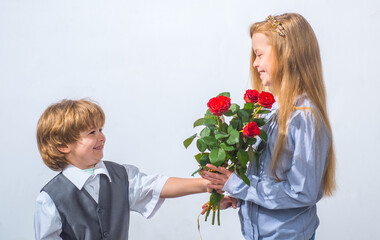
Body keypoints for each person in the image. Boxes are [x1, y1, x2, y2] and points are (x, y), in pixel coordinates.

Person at [200, 13, 336, 240]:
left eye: (259, 55)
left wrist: (239, 186)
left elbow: (301, 192)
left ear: (287, 55)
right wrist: (238, 196)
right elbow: (270, 179)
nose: (255, 63)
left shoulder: (304, 118)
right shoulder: (276, 113)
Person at [34, 99, 210, 240]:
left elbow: (157, 185)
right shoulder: (50, 199)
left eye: (100, 129)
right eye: (91, 132)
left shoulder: (121, 176)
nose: (101, 137)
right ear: (64, 146)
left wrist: (205, 184)